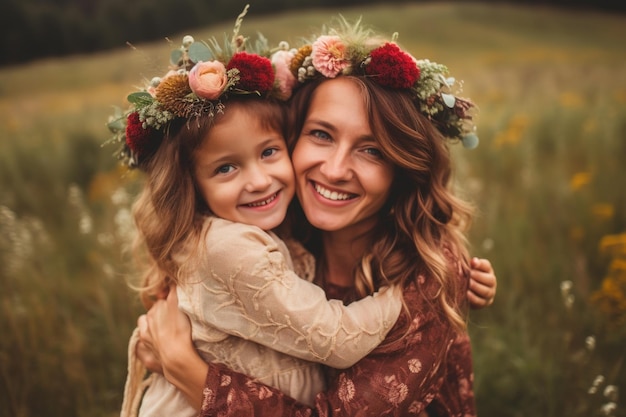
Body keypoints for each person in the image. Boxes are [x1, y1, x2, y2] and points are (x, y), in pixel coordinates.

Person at [136, 17, 497, 417]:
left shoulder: (424, 275)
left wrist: (186, 370)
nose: (335, 170)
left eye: (372, 150)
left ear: (404, 167)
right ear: (291, 137)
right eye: (321, 135)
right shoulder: (278, 224)